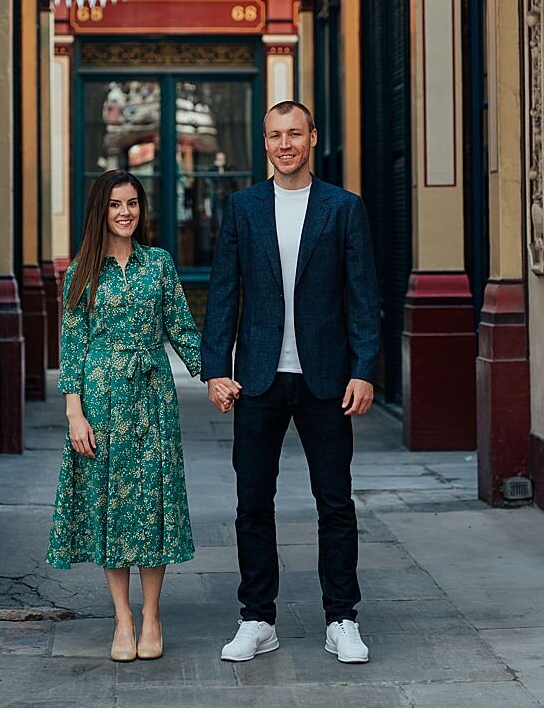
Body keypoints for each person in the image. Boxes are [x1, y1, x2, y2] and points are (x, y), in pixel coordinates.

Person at [201, 100, 382, 665]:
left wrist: (364, 370)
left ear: (312, 138)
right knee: (253, 501)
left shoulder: (343, 208)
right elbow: (223, 291)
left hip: (326, 378)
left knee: (335, 503)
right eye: (275, 135)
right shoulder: (243, 208)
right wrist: (214, 369)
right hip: (257, 377)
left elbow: (363, 298)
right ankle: (257, 618)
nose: (285, 144)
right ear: (265, 143)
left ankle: (342, 619)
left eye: (295, 134)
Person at [46, 169, 202, 663]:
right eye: (116, 204)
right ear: (101, 211)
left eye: (132, 203)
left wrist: (218, 374)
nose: (125, 212)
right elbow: (72, 348)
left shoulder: (158, 264)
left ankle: (152, 615)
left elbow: (182, 328)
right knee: (112, 508)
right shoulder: (81, 272)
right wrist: (74, 414)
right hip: (101, 400)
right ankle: (123, 618)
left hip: (153, 399)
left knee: (152, 506)